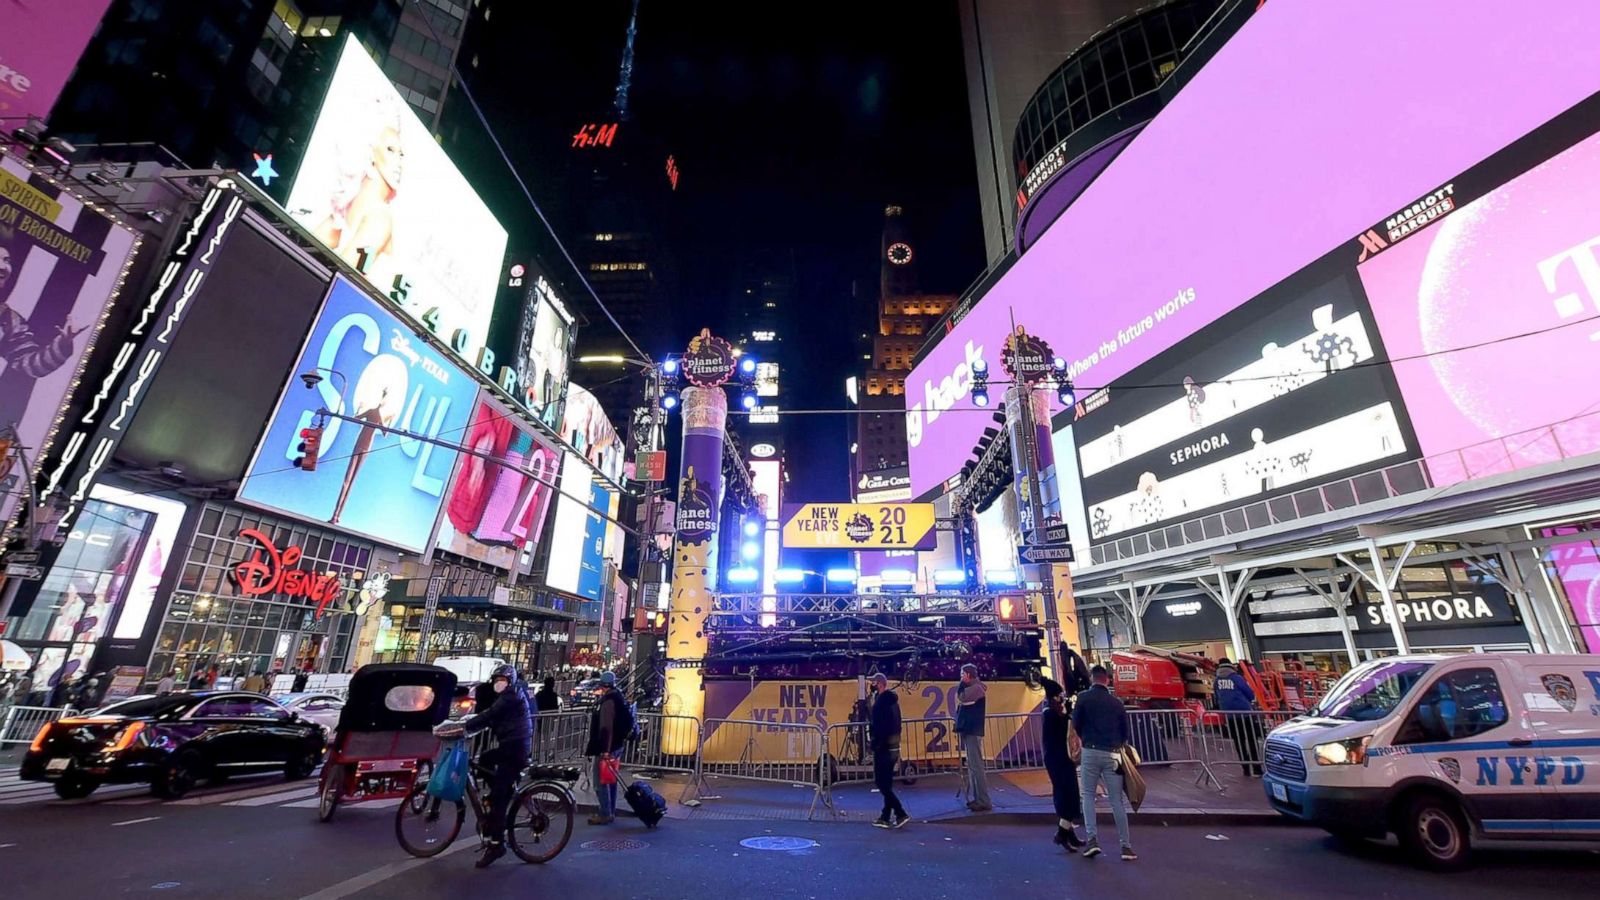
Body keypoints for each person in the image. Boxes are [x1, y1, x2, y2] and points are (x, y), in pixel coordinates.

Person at [461, 664, 533, 868]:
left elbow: (492, 713)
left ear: (509, 681)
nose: (498, 683)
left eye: (502, 679)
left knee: (499, 798)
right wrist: (472, 725)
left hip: (515, 747)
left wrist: (465, 726)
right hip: (510, 744)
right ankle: (500, 790)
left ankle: (496, 844)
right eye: (496, 679)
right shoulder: (508, 694)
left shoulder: (511, 695)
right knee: (485, 759)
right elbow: (492, 717)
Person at [1073, 665, 1135, 861]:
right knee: (1116, 800)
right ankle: (1126, 846)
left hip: (1090, 751)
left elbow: (1076, 724)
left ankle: (1092, 840)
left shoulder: (1083, 698)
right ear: (1107, 680)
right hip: (1113, 754)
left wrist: (1085, 738)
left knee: (1088, 795)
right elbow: (1125, 731)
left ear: (1092, 679)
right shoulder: (1116, 703)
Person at [1038, 676, 1084, 850]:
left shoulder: (1052, 712)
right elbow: (1062, 727)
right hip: (1058, 759)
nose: (1062, 697)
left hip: (1061, 758)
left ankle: (1068, 833)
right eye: (1060, 694)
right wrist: (1069, 713)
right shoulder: (1050, 714)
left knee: (1070, 793)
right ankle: (1062, 834)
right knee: (1067, 794)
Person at [584, 671, 630, 825]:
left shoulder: (608, 702)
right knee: (610, 780)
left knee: (601, 781)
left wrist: (605, 750)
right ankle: (610, 810)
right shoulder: (618, 697)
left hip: (608, 747)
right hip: (617, 745)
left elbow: (606, 727)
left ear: (603, 686)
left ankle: (605, 813)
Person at [868, 673, 909, 828]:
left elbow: (880, 727)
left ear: (879, 684)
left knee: (881, 783)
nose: (871, 685)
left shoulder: (881, 704)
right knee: (887, 783)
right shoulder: (893, 702)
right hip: (893, 746)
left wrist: (875, 744)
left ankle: (900, 812)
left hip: (883, 747)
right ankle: (885, 816)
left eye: (873, 682)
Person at [1214, 659, 1261, 777]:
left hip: (1230, 715)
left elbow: (1216, 695)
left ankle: (1245, 768)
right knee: (1251, 740)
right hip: (1244, 713)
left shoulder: (1217, 680)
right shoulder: (1236, 678)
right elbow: (1249, 693)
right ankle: (1256, 768)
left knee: (1238, 742)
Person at [954, 664, 991, 811]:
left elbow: (962, 697)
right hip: (970, 730)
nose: (961, 677)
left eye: (962, 674)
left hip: (973, 730)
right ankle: (978, 799)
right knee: (973, 766)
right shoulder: (976, 688)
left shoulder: (976, 689)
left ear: (969, 674)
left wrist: (961, 685)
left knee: (976, 766)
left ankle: (983, 800)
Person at [534, 676, 560, 761]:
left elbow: (535, 706)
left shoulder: (539, 694)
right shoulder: (553, 695)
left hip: (539, 718)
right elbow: (555, 709)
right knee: (547, 738)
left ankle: (535, 755)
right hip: (549, 719)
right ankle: (546, 755)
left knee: (537, 737)